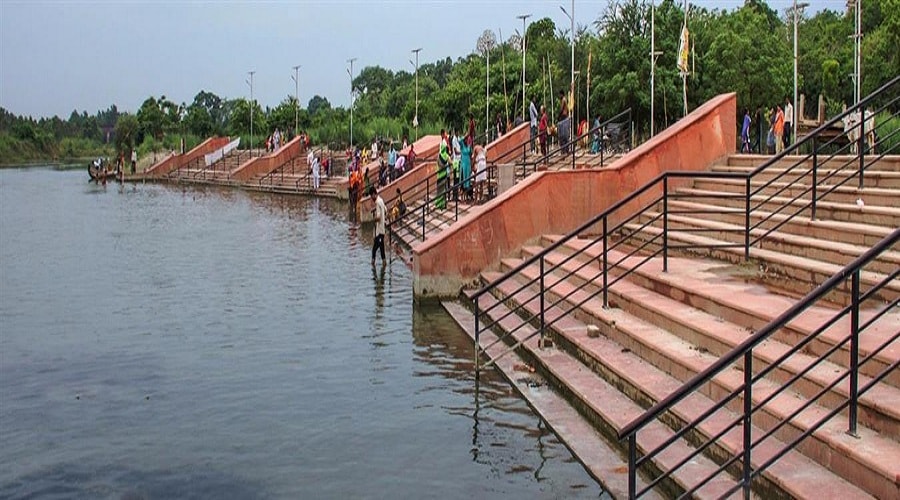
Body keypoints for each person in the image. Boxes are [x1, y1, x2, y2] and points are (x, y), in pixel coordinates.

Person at [370, 187, 387, 265]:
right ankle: (384, 263)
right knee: (382, 248)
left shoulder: (377, 203)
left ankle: (373, 263)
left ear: (374, 194)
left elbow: (379, 217)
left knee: (374, 249)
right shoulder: (381, 200)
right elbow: (386, 210)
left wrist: (373, 219)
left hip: (379, 230)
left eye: (371, 196)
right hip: (382, 230)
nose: (371, 198)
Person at [436, 129, 450, 210]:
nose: (446, 134)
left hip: (440, 165)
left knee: (441, 186)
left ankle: (441, 203)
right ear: (442, 134)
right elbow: (444, 154)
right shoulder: (443, 143)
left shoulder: (442, 143)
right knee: (442, 186)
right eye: (445, 133)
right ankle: (442, 203)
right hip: (442, 165)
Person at [558, 90, 570, 154]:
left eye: (560, 95)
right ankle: (565, 150)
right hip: (564, 117)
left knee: (563, 135)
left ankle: (565, 150)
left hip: (564, 117)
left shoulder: (563, 100)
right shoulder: (563, 100)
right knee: (564, 136)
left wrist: (559, 116)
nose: (559, 96)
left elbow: (562, 109)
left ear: (562, 94)